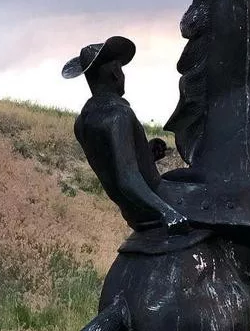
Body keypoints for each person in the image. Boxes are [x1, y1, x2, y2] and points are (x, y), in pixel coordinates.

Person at [62, 36, 189, 235]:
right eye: (120, 69)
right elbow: (127, 178)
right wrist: (168, 212)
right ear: (115, 73)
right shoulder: (119, 115)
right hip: (156, 204)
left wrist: (145, 153)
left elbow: (112, 164)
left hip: (132, 214)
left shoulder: (82, 122)